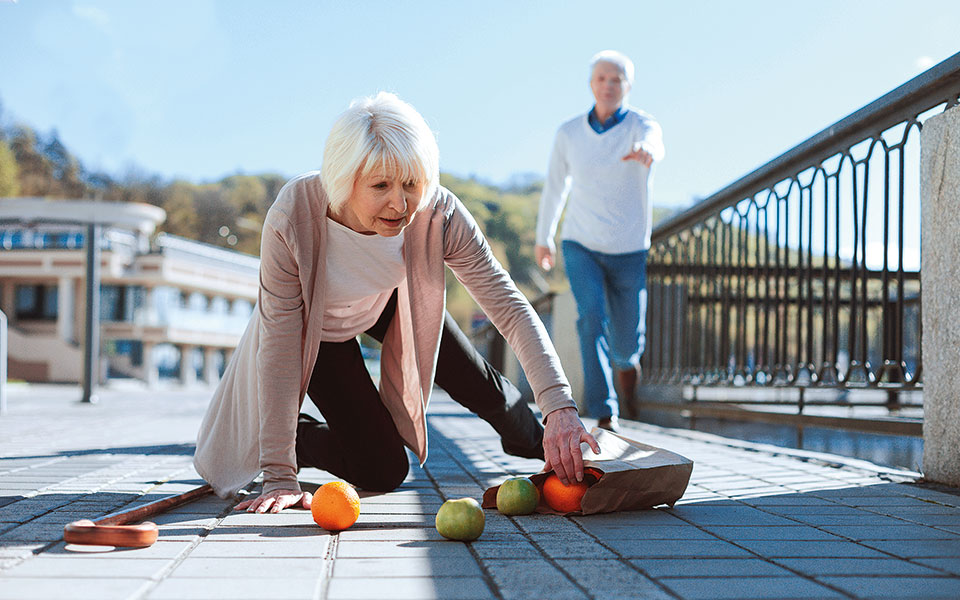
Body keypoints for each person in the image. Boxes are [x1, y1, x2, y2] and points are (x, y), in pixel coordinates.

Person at [194, 92, 600, 513]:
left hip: (389, 302)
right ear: (344, 179)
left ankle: (555, 448)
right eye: (381, 186)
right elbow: (279, 344)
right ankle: (294, 436)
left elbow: (509, 308)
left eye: (411, 184)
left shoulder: (438, 212)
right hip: (315, 328)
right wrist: (279, 472)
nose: (400, 203)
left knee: (487, 390)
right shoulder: (293, 215)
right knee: (382, 470)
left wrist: (559, 408)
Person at [535, 50, 665, 433]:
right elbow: (555, 186)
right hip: (582, 243)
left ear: (628, 86)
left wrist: (648, 151)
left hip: (629, 248)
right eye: (602, 78)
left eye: (617, 79)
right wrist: (545, 238)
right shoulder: (570, 133)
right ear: (592, 84)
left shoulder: (642, 125)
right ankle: (605, 413)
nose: (609, 85)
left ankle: (629, 374)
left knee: (626, 346)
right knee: (590, 319)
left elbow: (656, 143)